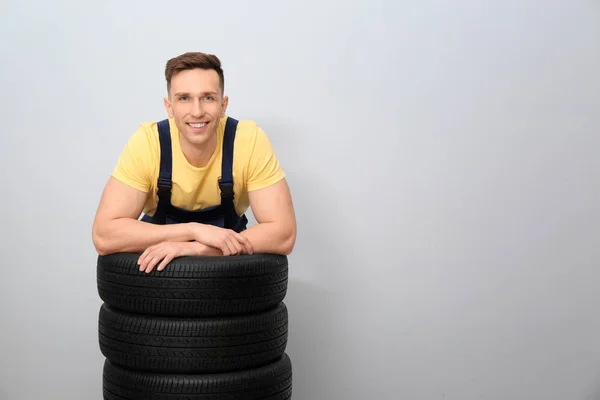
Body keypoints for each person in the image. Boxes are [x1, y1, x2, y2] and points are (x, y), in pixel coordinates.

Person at [92, 52, 296, 273]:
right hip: (158, 284)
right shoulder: (149, 143)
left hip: (228, 279)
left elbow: (284, 234)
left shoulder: (248, 140)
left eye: (208, 97)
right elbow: (104, 236)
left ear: (223, 105)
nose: (197, 112)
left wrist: (201, 249)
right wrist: (193, 231)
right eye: (184, 98)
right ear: (169, 107)